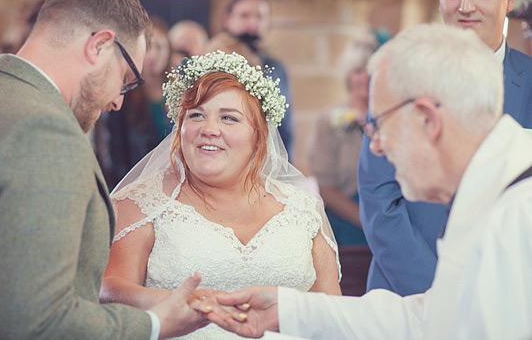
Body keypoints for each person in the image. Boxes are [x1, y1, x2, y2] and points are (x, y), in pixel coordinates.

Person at [0, 0, 216, 339]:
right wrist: (156, 323)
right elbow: (39, 322)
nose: (119, 100)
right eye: (126, 77)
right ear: (100, 46)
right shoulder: (44, 133)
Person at [202, 23, 532, 339]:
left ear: (428, 120)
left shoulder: (519, 213)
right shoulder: (490, 193)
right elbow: (433, 319)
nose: (375, 145)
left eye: (380, 124)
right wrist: (290, 310)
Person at [100, 51, 342, 339]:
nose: (209, 129)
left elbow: (331, 313)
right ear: (180, 128)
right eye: (196, 115)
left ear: (259, 134)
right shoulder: (140, 203)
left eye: (228, 118)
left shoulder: (302, 208)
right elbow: (108, 289)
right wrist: (169, 302)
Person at [357, 0, 532, 296]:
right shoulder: (399, 72)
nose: (465, 6)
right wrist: (441, 295)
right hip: (405, 292)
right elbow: (378, 198)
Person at [207, 0, 294, 159]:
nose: (253, 23)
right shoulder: (210, 58)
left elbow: (285, 127)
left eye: (260, 16)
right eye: (245, 15)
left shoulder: (276, 67)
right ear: (227, 19)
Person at [307, 35, 374, 246]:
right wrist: (366, 221)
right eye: (358, 71)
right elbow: (325, 187)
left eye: (371, 71)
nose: (365, 77)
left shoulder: (389, 119)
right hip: (346, 223)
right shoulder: (329, 120)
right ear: (347, 75)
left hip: (384, 217)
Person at [99, 16, 174, 189]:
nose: (153, 55)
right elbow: (117, 151)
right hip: (135, 184)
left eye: (160, 47)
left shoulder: (178, 93)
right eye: (147, 47)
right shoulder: (124, 96)